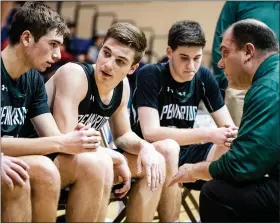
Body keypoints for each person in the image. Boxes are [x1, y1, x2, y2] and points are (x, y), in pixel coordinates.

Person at [45, 22, 166, 222]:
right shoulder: (74, 74)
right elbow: (66, 141)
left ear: (132, 68)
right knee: (100, 163)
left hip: (85, 158)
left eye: (120, 61)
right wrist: (116, 158)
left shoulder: (123, 85)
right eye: (106, 53)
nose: (108, 64)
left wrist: (145, 147)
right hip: (46, 155)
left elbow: (122, 135)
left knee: (156, 161)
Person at [1, 2, 104, 222]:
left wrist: (78, 138)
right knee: (43, 169)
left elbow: (53, 136)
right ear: (27, 38)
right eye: (53, 44)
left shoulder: (34, 79)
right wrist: (63, 142)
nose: (58, 54)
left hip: (14, 158)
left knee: (92, 164)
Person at [168, 19, 280, 222]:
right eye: (184, 57)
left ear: (248, 51)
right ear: (169, 53)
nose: (220, 62)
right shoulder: (273, 78)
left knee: (216, 193)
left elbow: (242, 165)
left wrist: (194, 170)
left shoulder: (267, 88)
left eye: (225, 52)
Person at [131, 20, 237, 222]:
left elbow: (227, 126)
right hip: (150, 152)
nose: (191, 66)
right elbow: (150, 132)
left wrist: (233, 134)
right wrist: (208, 134)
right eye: (184, 58)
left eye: (197, 58)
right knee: (170, 148)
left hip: (188, 151)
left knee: (230, 147)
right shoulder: (150, 74)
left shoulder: (203, 75)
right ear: (169, 52)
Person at [212, 1, 280, 126]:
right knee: (236, 135)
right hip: (241, 78)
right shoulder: (236, 2)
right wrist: (225, 80)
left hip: (274, 75)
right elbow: (221, 43)